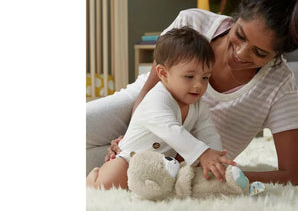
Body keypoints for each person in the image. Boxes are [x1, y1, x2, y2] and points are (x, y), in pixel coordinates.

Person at [87, 0, 298, 185]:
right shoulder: (193, 22)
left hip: (174, 162)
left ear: (278, 55)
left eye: (259, 52)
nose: (241, 53)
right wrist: (131, 136)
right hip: (141, 111)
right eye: (240, 35)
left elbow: (294, 175)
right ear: (237, 18)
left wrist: (223, 171)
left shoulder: (279, 83)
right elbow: (151, 90)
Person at [86, 27, 236, 189]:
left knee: (178, 182)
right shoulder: (157, 99)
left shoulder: (198, 106)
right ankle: (92, 179)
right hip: (130, 159)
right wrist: (203, 153)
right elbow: (171, 130)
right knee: (109, 184)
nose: (198, 85)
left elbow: (209, 132)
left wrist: (217, 161)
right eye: (189, 76)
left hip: (162, 167)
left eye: (205, 77)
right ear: (163, 73)